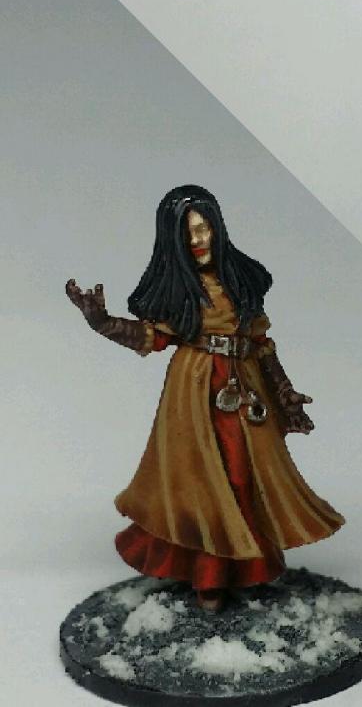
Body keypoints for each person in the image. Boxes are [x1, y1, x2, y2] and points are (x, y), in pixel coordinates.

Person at [66, 184, 343, 612]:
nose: (197, 240)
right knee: (202, 481)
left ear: (217, 227)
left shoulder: (239, 282)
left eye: (203, 228)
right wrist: (103, 323)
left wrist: (283, 389)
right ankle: (209, 576)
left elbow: (261, 342)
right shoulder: (180, 289)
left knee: (246, 475)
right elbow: (152, 337)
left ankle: (243, 568)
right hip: (195, 389)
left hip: (244, 384)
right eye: (187, 232)